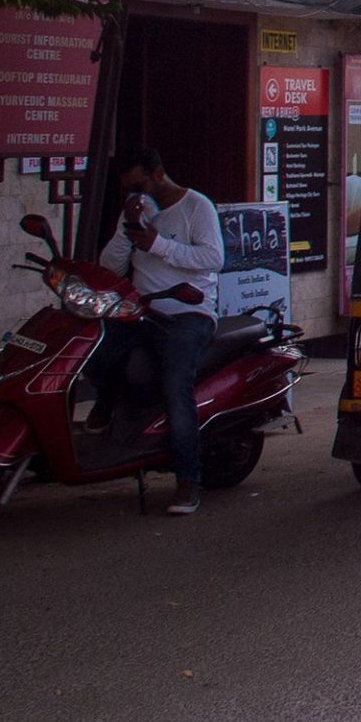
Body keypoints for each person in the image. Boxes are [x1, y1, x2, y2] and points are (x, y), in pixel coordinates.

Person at [84, 146, 226, 515]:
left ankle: (187, 478)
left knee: (176, 384)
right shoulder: (137, 210)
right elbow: (110, 266)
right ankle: (109, 402)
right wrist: (129, 229)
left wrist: (158, 244)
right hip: (143, 311)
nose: (137, 194)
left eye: (140, 185)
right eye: (129, 189)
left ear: (158, 175)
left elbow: (213, 258)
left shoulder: (197, 207)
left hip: (188, 313)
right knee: (93, 350)